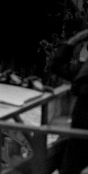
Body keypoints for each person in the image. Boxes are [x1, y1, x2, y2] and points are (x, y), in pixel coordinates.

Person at [51, 28, 88, 173]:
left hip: (81, 134)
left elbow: (56, 65)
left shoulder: (84, 71)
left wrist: (73, 41)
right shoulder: (84, 70)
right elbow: (57, 66)